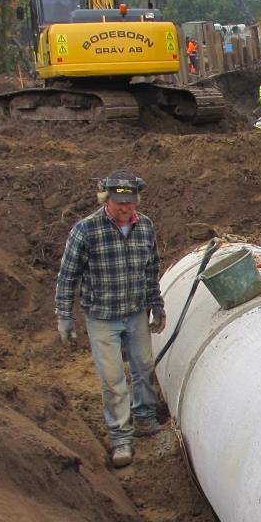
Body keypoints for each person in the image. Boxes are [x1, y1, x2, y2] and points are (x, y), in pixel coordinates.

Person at [55, 170, 166, 469]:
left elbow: (150, 269)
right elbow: (68, 276)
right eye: (119, 203)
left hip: (134, 312)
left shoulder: (144, 227)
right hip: (102, 317)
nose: (125, 209)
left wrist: (157, 305)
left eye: (130, 203)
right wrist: (64, 316)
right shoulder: (86, 230)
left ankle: (144, 418)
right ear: (106, 199)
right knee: (113, 379)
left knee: (144, 367)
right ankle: (120, 437)